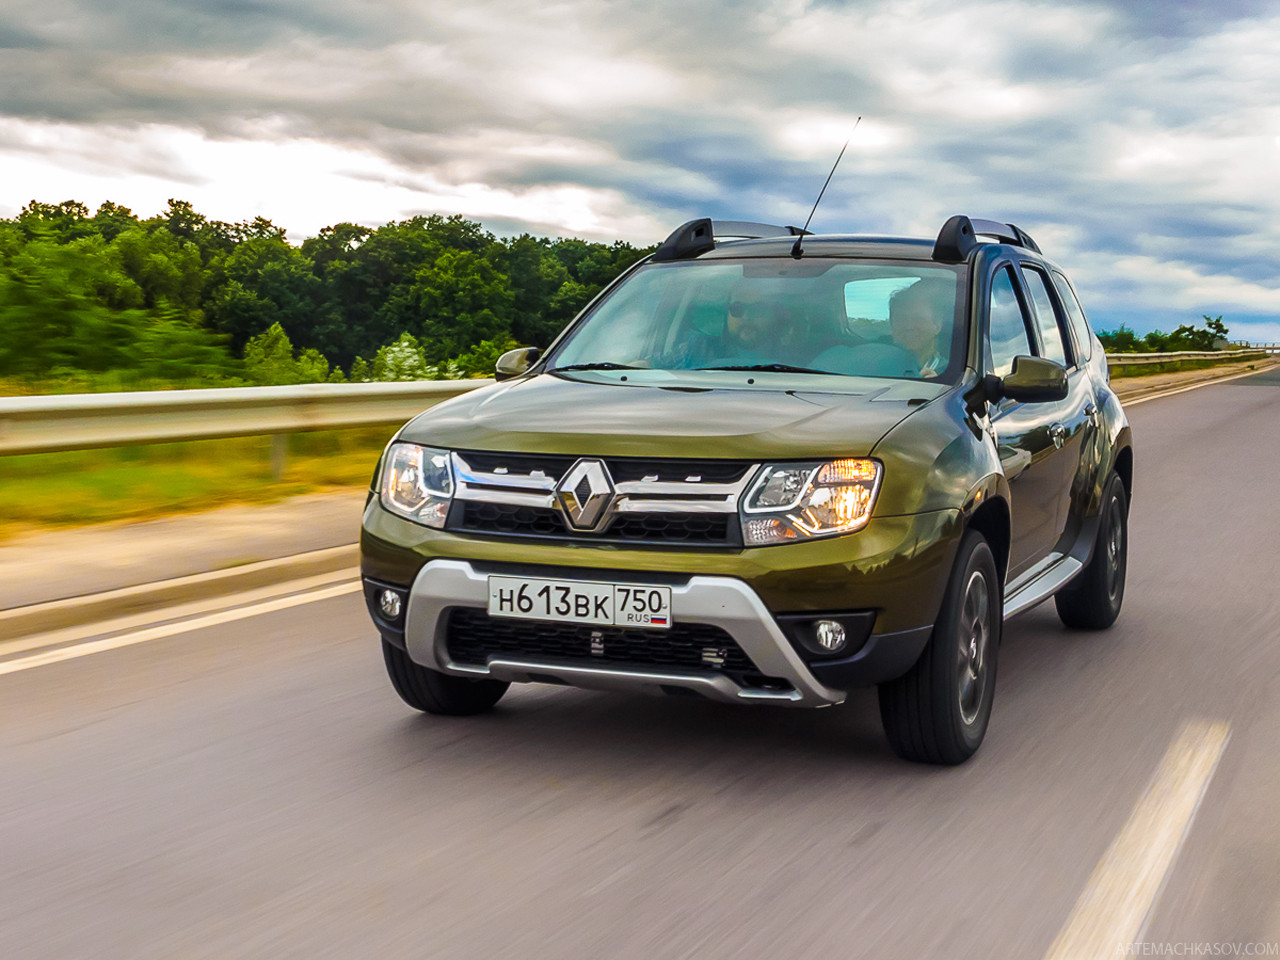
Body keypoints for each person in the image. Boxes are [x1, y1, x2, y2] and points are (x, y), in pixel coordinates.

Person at [887, 279, 951, 377]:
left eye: (918, 318)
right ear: (891, 324)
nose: (909, 326)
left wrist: (937, 386)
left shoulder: (954, 376)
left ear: (937, 325)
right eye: (901, 318)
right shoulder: (877, 368)